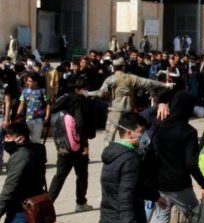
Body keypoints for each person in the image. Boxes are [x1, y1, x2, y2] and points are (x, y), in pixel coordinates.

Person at [152, 91, 204, 223]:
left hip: (160, 183)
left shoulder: (159, 126)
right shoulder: (188, 132)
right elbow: (191, 163)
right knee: (194, 220)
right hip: (179, 184)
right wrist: (202, 183)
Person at [88, 58, 173, 143]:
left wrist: (87, 93)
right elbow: (148, 82)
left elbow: (101, 93)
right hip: (128, 111)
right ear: (123, 67)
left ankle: (109, 155)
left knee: (109, 137)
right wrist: (165, 84)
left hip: (115, 111)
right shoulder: (131, 78)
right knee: (130, 135)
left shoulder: (110, 79)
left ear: (113, 67)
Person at [48, 79, 96, 213]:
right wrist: (85, 145)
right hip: (78, 144)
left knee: (60, 175)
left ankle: (48, 204)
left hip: (63, 144)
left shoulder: (64, 102)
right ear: (78, 90)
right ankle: (81, 203)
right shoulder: (78, 102)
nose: (85, 91)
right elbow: (80, 124)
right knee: (81, 175)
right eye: (84, 89)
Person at [17, 72, 50, 143]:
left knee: (36, 140)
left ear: (36, 82)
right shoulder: (25, 91)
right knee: (27, 140)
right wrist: (18, 115)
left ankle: (36, 152)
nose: (28, 83)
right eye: (27, 81)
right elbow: (22, 104)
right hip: (27, 119)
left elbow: (48, 104)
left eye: (30, 81)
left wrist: (47, 116)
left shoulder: (43, 91)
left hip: (39, 120)